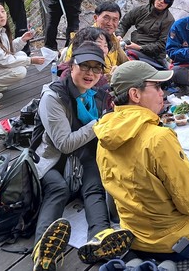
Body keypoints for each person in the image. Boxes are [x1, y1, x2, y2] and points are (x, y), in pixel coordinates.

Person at [94, 61, 189, 261]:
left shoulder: (104, 135)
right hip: (173, 244)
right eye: (157, 87)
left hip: (133, 236)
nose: (163, 93)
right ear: (135, 94)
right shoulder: (159, 138)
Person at [32, 42, 133, 270]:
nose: (90, 73)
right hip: (51, 159)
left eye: (96, 68)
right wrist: (99, 123)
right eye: (84, 66)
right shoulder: (53, 97)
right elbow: (65, 144)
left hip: (82, 156)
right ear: (71, 66)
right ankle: (42, 251)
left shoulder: (95, 94)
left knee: (94, 185)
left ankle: (100, 237)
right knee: (58, 189)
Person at [116, 0, 176, 68]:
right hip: (133, 47)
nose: (161, 1)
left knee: (127, 56)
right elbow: (124, 23)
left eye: (166, 0)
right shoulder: (141, 10)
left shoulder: (169, 20)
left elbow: (162, 45)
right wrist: (119, 35)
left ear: (169, 4)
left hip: (153, 56)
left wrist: (140, 48)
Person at [64, 2, 128, 76]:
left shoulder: (113, 39)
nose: (110, 23)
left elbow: (125, 62)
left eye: (115, 20)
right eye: (106, 18)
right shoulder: (85, 38)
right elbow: (75, 71)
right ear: (95, 18)